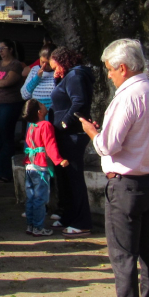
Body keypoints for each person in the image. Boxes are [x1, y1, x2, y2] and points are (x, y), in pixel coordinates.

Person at [79, 39, 149, 297]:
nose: (108, 75)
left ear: (122, 67)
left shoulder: (127, 98)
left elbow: (109, 145)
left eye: (109, 70)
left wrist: (94, 134)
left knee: (123, 256)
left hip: (126, 184)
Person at [48, 46, 95, 238]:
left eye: (56, 67)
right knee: (64, 178)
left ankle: (82, 221)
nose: (55, 71)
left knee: (74, 178)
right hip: (62, 134)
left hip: (71, 134)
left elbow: (79, 102)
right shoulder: (68, 77)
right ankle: (68, 215)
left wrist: (64, 122)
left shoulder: (75, 76)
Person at [21, 99, 68, 237]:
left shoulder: (31, 126)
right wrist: (59, 160)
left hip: (30, 165)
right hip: (40, 167)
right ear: (39, 112)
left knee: (31, 198)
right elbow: (50, 145)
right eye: (42, 104)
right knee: (40, 199)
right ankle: (38, 227)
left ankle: (31, 225)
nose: (45, 105)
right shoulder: (46, 125)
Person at [0, 39, 26, 184]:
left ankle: (6, 172)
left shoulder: (15, 64)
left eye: (3, 48)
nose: (0, 51)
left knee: (5, 136)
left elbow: (7, 82)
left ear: (10, 49)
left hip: (8, 104)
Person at [21, 42, 56, 109]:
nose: (44, 66)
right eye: (42, 62)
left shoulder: (59, 72)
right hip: (36, 113)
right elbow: (24, 95)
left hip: (53, 112)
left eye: (48, 64)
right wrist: (37, 77)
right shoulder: (35, 70)